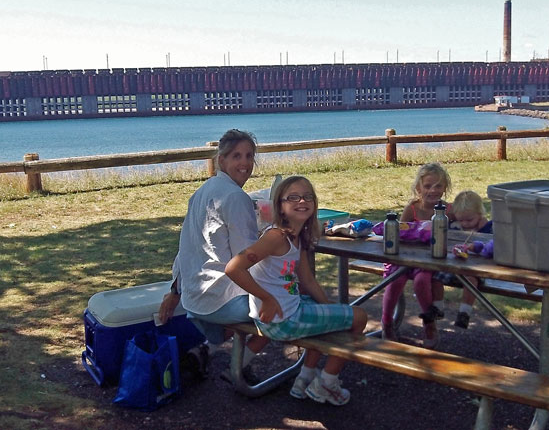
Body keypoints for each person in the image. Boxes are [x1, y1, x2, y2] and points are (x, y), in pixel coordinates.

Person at [225, 176, 368, 406]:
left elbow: (308, 281)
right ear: (280, 206)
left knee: (328, 313)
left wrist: (329, 307)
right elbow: (234, 268)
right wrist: (267, 298)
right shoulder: (275, 237)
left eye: (307, 196)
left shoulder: (297, 237)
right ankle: (327, 383)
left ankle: (304, 379)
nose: (302, 201)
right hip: (282, 320)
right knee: (359, 316)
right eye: (293, 197)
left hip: (285, 314)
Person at [158, 129, 269, 382]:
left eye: (249, 156)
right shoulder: (235, 197)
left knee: (263, 299)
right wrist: (274, 240)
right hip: (219, 302)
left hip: (194, 298)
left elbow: (185, 247)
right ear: (222, 160)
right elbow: (249, 258)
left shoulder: (202, 192)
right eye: (236, 156)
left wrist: (175, 291)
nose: (244, 163)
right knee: (288, 302)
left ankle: (206, 349)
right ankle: (240, 366)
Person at [381, 162, 454, 349]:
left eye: (438, 186)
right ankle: (387, 323)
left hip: (429, 262)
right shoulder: (412, 208)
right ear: (418, 188)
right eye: (428, 186)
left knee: (422, 281)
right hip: (406, 258)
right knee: (395, 280)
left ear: (445, 187)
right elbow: (400, 233)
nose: (433, 190)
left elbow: (460, 233)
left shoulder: (448, 210)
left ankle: (429, 324)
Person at [436, 190, 493, 330]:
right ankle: (437, 307)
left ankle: (464, 312)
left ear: (480, 214)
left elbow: (491, 249)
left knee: (471, 280)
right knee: (435, 276)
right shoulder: (455, 226)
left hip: (476, 271)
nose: (465, 224)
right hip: (453, 267)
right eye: (461, 220)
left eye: (469, 220)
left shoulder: (488, 229)